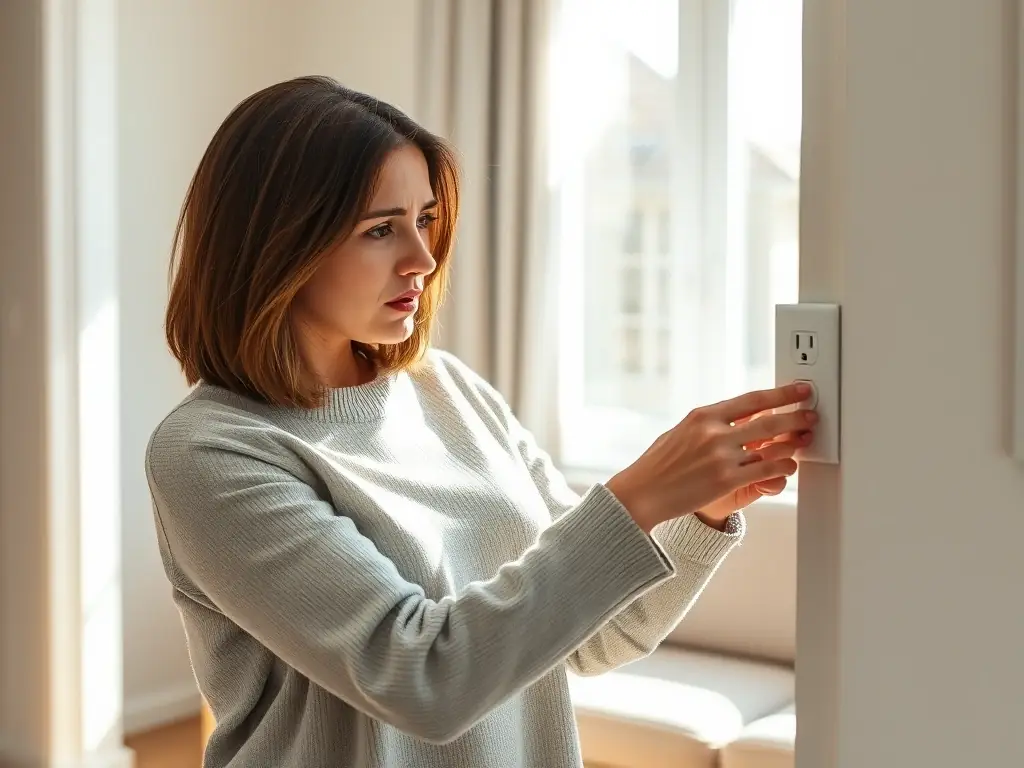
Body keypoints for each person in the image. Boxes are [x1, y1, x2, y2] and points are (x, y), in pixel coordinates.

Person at [146, 75, 816, 768]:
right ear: (277, 244)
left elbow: (596, 637)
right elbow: (422, 678)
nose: (423, 259)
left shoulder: (447, 388)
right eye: (381, 229)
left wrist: (698, 513)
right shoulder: (212, 451)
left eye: (425, 220)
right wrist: (638, 495)